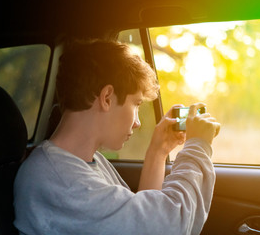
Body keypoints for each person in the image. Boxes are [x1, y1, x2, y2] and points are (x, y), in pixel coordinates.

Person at [13, 39, 221, 235]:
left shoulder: (83, 163)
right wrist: (198, 146)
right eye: (136, 104)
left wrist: (158, 152)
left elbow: (140, 224)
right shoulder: (57, 179)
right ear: (107, 98)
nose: (137, 122)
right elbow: (170, 225)